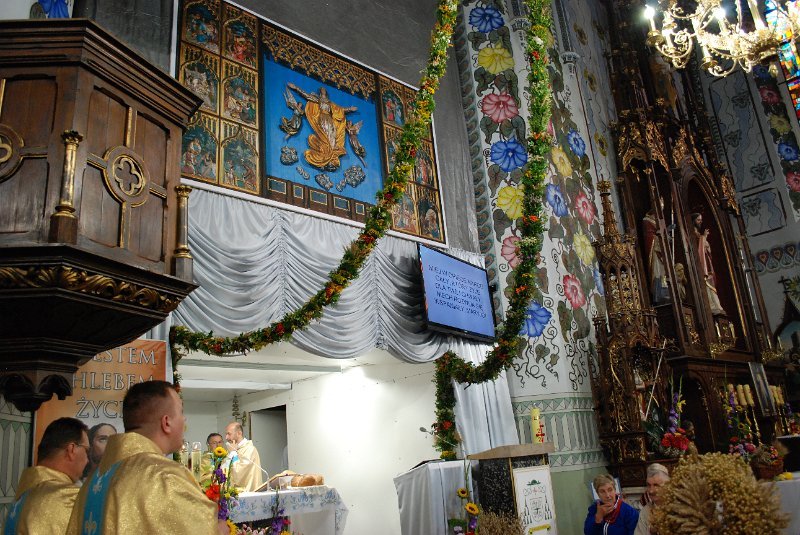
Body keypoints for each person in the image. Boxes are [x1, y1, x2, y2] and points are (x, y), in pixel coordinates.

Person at [66, 381, 222, 535]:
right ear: (166, 422)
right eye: (181, 412)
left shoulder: (92, 482)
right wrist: (217, 530)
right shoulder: (164, 476)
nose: (184, 419)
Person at [5, 417, 89, 534]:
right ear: (72, 450)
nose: (87, 460)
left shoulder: (21, 498)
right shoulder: (69, 498)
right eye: (86, 451)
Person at [287, 83, 357, 171]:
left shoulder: (330, 103)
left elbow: (340, 109)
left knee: (333, 132)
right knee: (325, 133)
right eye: (322, 90)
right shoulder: (318, 99)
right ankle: (327, 150)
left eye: (324, 90)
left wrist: (350, 109)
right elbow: (307, 96)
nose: (323, 91)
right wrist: (296, 87)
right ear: (320, 93)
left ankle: (331, 149)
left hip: (329, 118)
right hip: (322, 118)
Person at [691, 213, 725, 315]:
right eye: (698, 220)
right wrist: (704, 237)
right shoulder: (692, 233)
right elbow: (697, 247)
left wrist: (704, 240)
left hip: (706, 261)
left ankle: (717, 305)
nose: (700, 222)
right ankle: (712, 305)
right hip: (701, 263)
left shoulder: (698, 234)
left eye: (701, 220)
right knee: (706, 283)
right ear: (693, 221)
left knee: (711, 283)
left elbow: (707, 248)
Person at [224, 421, 263, 491]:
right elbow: (225, 470)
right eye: (226, 434)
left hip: (247, 493)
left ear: (239, 433)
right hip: (230, 493)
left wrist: (233, 453)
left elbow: (239, 474)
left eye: (229, 434)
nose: (226, 437)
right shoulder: (231, 449)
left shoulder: (249, 449)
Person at [642, 211, 669, 303]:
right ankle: (658, 294)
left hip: (661, 251)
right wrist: (658, 237)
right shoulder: (646, 220)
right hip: (654, 251)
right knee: (657, 271)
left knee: (663, 271)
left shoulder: (659, 222)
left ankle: (665, 292)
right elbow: (649, 237)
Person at [634, 464, 670, 535]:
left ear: (667, 486)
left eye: (656, 485)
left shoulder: (679, 507)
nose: (651, 491)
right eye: (648, 485)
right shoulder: (645, 511)